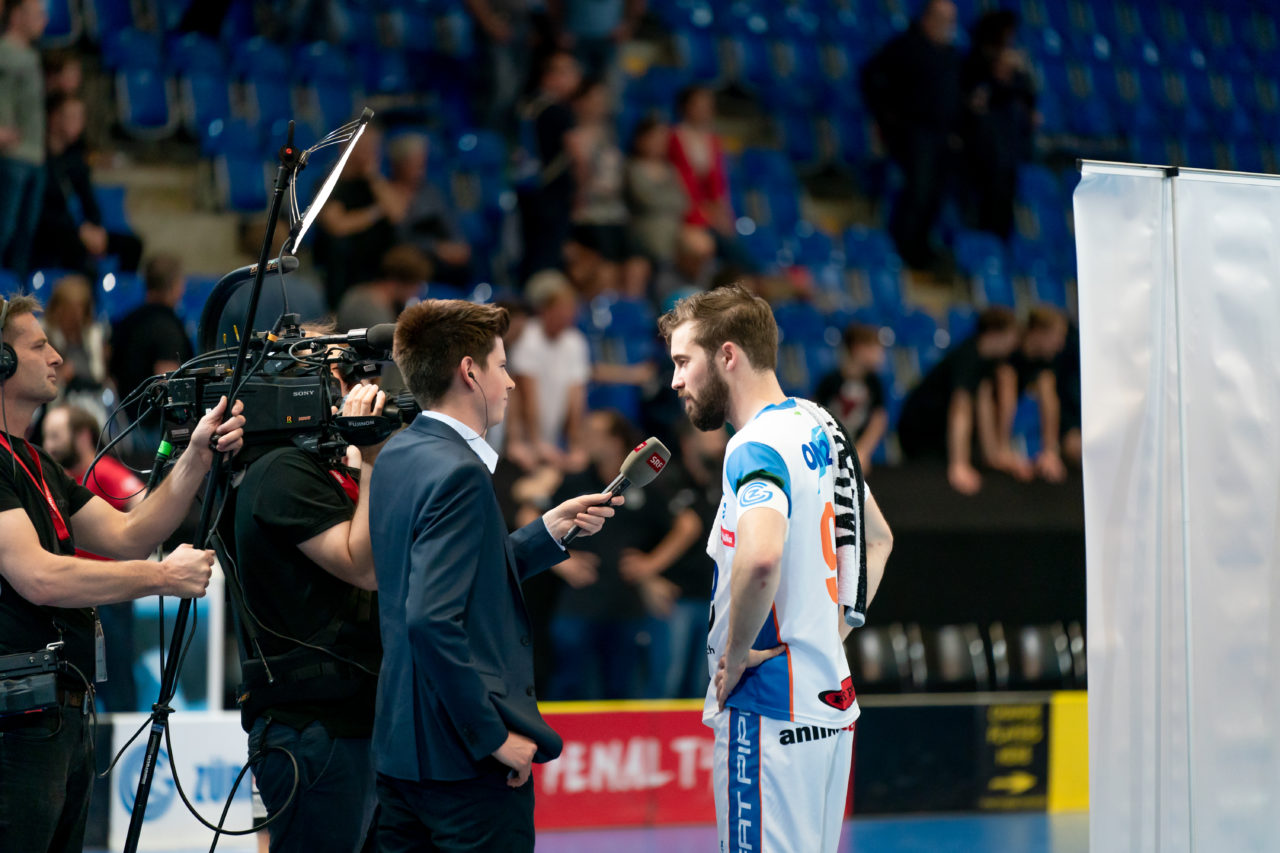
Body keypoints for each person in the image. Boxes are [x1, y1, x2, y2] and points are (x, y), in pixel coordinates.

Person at [368, 298, 621, 852]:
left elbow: (451, 579)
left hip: (401, 752)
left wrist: (548, 531)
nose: (509, 382)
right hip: (464, 763)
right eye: (502, 366)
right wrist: (492, 736)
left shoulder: (398, 453)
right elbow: (431, 620)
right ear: (469, 371)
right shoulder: (460, 472)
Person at [0, 293, 245, 853]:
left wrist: (198, 454)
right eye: (39, 345)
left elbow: (131, 532)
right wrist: (160, 578)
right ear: (2, 363)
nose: (58, 358)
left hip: (56, 716)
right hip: (15, 725)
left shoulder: (33, 461)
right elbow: (38, 576)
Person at [658, 283, 893, 853]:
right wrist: (828, 635)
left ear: (728, 355)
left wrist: (735, 660)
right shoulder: (823, 426)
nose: (676, 381)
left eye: (684, 361)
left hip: (768, 710)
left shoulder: (754, 446)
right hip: (830, 702)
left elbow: (762, 556)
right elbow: (878, 540)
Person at [223, 370, 388, 852]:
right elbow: (364, 566)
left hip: (350, 720)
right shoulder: (279, 470)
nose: (346, 396)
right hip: (314, 728)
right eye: (332, 382)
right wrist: (375, 460)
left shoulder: (321, 468)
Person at [547, 408, 701, 700]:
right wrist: (562, 561)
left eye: (595, 434)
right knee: (571, 690)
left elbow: (688, 523)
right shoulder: (575, 481)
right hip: (579, 602)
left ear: (616, 441)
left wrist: (650, 566)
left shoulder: (644, 483)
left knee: (624, 694)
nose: (585, 439)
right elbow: (536, 517)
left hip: (625, 604)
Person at [41, 403, 145, 713]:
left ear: (83, 437)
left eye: (56, 436)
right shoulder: (52, 479)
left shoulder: (103, 472)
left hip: (107, 598)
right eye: (46, 437)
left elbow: (142, 500)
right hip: (68, 593)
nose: (49, 446)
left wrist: (127, 549)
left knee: (114, 681)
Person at [861, 0, 962, 270]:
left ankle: (921, 248)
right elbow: (871, 77)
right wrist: (888, 119)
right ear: (928, 19)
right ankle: (903, 249)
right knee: (917, 191)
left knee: (935, 194)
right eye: (943, 20)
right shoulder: (905, 47)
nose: (948, 27)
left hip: (942, 135)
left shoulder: (949, 53)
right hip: (914, 133)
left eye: (951, 21)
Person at [895, 305, 1022, 494]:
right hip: (921, 434)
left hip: (940, 432)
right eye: (1012, 336)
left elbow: (983, 407)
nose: (1015, 343)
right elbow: (960, 411)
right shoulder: (967, 358)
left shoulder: (987, 361)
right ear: (995, 334)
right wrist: (959, 464)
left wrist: (994, 454)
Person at [32, 92, 144, 277]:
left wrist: (95, 228)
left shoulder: (75, 158)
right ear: (53, 118)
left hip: (77, 232)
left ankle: (120, 298)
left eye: (81, 116)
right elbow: (41, 212)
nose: (78, 122)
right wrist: (80, 231)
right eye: (72, 116)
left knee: (132, 245)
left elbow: (88, 199)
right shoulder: (37, 160)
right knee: (80, 255)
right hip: (50, 233)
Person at [959, 10, 1037, 240]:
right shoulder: (975, 63)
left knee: (1005, 202)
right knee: (983, 203)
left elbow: (1028, 95)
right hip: (983, 149)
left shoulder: (1014, 65)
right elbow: (977, 100)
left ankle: (1000, 248)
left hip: (1008, 148)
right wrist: (1000, 73)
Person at [507, 270, 590, 468]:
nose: (568, 315)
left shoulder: (575, 342)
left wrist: (575, 444)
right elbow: (525, 393)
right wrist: (533, 443)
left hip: (551, 434)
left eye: (571, 309)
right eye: (562, 309)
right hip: (523, 434)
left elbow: (576, 396)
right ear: (545, 310)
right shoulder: (528, 336)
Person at [316, 126, 404, 309]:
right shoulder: (331, 183)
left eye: (374, 146)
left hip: (381, 275)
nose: (372, 152)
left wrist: (373, 176)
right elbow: (338, 226)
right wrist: (376, 212)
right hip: (344, 275)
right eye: (365, 146)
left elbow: (397, 213)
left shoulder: (375, 184)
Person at [517, 50, 582, 280]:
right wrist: (582, 188)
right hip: (553, 194)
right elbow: (576, 154)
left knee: (530, 251)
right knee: (547, 256)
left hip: (525, 189)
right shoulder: (559, 111)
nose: (576, 78)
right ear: (550, 76)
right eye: (569, 72)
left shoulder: (526, 106)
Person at [108, 254, 194, 426]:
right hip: (152, 429)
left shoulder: (126, 320)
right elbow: (167, 384)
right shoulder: (168, 329)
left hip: (123, 421)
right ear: (174, 286)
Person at [0, 0, 48, 279]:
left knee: (24, 240)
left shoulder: (29, 54)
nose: (42, 20)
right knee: (5, 232)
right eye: (36, 14)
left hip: (32, 156)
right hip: (13, 156)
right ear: (17, 16)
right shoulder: (6, 52)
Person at [385, 133, 473, 287]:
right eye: (413, 162)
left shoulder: (431, 192)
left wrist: (457, 246)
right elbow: (398, 236)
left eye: (422, 161)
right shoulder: (388, 192)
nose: (421, 167)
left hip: (442, 257)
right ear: (398, 164)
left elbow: (449, 223)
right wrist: (436, 248)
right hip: (411, 258)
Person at [995, 305, 1070, 483]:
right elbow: (1005, 402)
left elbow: (1050, 400)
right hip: (989, 418)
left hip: (1016, 410)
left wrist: (1050, 452)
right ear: (1037, 332)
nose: (1061, 344)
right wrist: (1005, 452)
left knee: (1046, 387)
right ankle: (1004, 448)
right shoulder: (1010, 352)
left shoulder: (1044, 359)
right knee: (1008, 383)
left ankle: (1049, 451)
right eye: (1057, 335)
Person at [813, 323, 889, 471]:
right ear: (857, 349)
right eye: (874, 348)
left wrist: (862, 452)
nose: (881, 354)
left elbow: (878, 420)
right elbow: (814, 417)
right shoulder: (830, 381)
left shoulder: (875, 383)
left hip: (860, 457)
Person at [625, 116, 688, 265]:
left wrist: (661, 199)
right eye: (654, 137)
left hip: (674, 225)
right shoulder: (632, 167)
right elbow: (645, 199)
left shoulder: (670, 169)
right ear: (640, 139)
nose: (659, 143)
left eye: (662, 138)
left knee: (699, 243)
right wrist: (668, 200)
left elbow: (683, 202)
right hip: (646, 227)